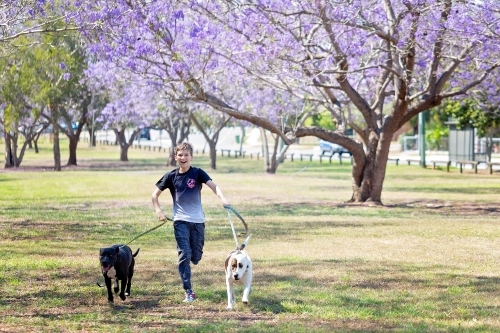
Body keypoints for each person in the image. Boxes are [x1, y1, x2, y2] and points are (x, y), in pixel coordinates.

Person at [151, 142, 230, 302]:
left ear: (191, 157)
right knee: (184, 254)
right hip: (180, 221)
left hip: (198, 222)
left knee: (196, 257)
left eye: (186, 155)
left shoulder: (198, 173)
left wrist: (223, 199)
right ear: (175, 157)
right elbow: (154, 195)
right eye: (180, 155)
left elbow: (215, 186)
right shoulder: (171, 176)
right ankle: (188, 291)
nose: (183, 158)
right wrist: (159, 211)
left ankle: (193, 258)